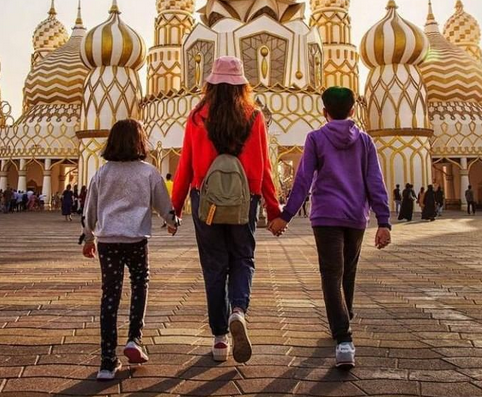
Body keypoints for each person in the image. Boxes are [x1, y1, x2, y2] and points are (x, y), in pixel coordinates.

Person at [268, 86, 391, 369]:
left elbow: (302, 180)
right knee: (347, 272)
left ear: (324, 112)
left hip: (325, 217)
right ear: (352, 111)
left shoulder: (316, 138)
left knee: (331, 274)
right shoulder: (365, 141)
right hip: (356, 217)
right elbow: (375, 182)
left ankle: (343, 337)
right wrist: (383, 221)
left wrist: (285, 216)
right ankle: (343, 325)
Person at [171, 56, 279, 365]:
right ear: (243, 85)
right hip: (245, 200)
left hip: (206, 202)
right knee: (243, 258)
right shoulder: (254, 117)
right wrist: (273, 211)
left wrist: (175, 209)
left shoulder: (196, 118)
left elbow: (186, 165)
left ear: (211, 85)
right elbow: (264, 167)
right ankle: (238, 310)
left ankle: (219, 338)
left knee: (214, 265)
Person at [82, 119, 178, 381]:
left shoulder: (102, 173)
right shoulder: (148, 172)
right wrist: (172, 223)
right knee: (139, 285)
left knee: (109, 297)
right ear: (140, 142)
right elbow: (162, 203)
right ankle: (134, 338)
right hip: (136, 241)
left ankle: (107, 361)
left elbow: (90, 208)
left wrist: (89, 238)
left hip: (108, 242)